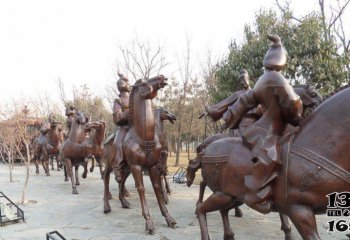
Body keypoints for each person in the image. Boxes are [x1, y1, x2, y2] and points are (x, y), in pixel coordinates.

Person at [221, 34, 303, 213]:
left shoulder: (262, 80)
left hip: (269, 129)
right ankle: (254, 194)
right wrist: (298, 116)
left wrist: (229, 115)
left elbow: (244, 101)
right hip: (268, 131)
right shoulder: (276, 79)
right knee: (270, 156)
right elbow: (292, 103)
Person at [112, 73, 131, 183]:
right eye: (126, 83)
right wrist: (128, 114)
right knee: (118, 143)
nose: (128, 85)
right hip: (124, 127)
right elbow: (117, 117)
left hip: (135, 126)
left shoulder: (134, 98)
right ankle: (117, 167)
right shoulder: (118, 101)